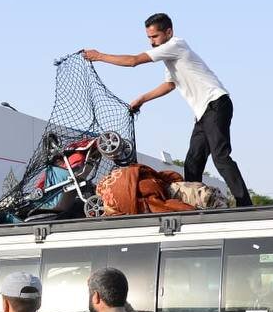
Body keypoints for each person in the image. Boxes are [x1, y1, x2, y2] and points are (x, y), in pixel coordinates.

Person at [83, 12, 252, 207]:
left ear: (169, 32)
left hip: (216, 103)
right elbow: (170, 85)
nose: (152, 42)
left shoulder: (175, 45)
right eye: (149, 38)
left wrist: (99, 56)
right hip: (203, 112)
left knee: (220, 156)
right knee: (193, 162)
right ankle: (194, 202)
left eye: (155, 37)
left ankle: (244, 202)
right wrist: (142, 99)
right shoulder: (169, 57)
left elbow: (134, 61)